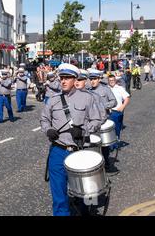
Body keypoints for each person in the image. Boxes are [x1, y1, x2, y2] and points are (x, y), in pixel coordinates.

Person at [40, 63, 101, 216]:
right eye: (62, 78)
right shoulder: (53, 99)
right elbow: (44, 119)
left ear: (75, 79)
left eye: (67, 78)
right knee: (59, 195)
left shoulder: (87, 98)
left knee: (86, 193)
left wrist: (83, 130)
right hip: (58, 150)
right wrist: (49, 130)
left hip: (80, 150)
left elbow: (97, 120)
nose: (63, 81)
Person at [88, 68, 118, 171]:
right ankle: (95, 165)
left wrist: (103, 105)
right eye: (91, 79)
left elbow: (114, 102)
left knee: (104, 144)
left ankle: (106, 163)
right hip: (92, 121)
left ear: (99, 79)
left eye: (95, 79)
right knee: (92, 144)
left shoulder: (105, 89)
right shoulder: (89, 91)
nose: (92, 81)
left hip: (104, 120)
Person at [108, 74, 130, 151]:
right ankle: (110, 145)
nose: (111, 82)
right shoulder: (106, 88)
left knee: (117, 129)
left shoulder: (120, 88)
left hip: (117, 112)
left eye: (113, 80)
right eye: (110, 81)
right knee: (109, 129)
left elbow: (127, 98)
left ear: (115, 80)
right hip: (108, 112)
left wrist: (123, 106)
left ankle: (116, 143)